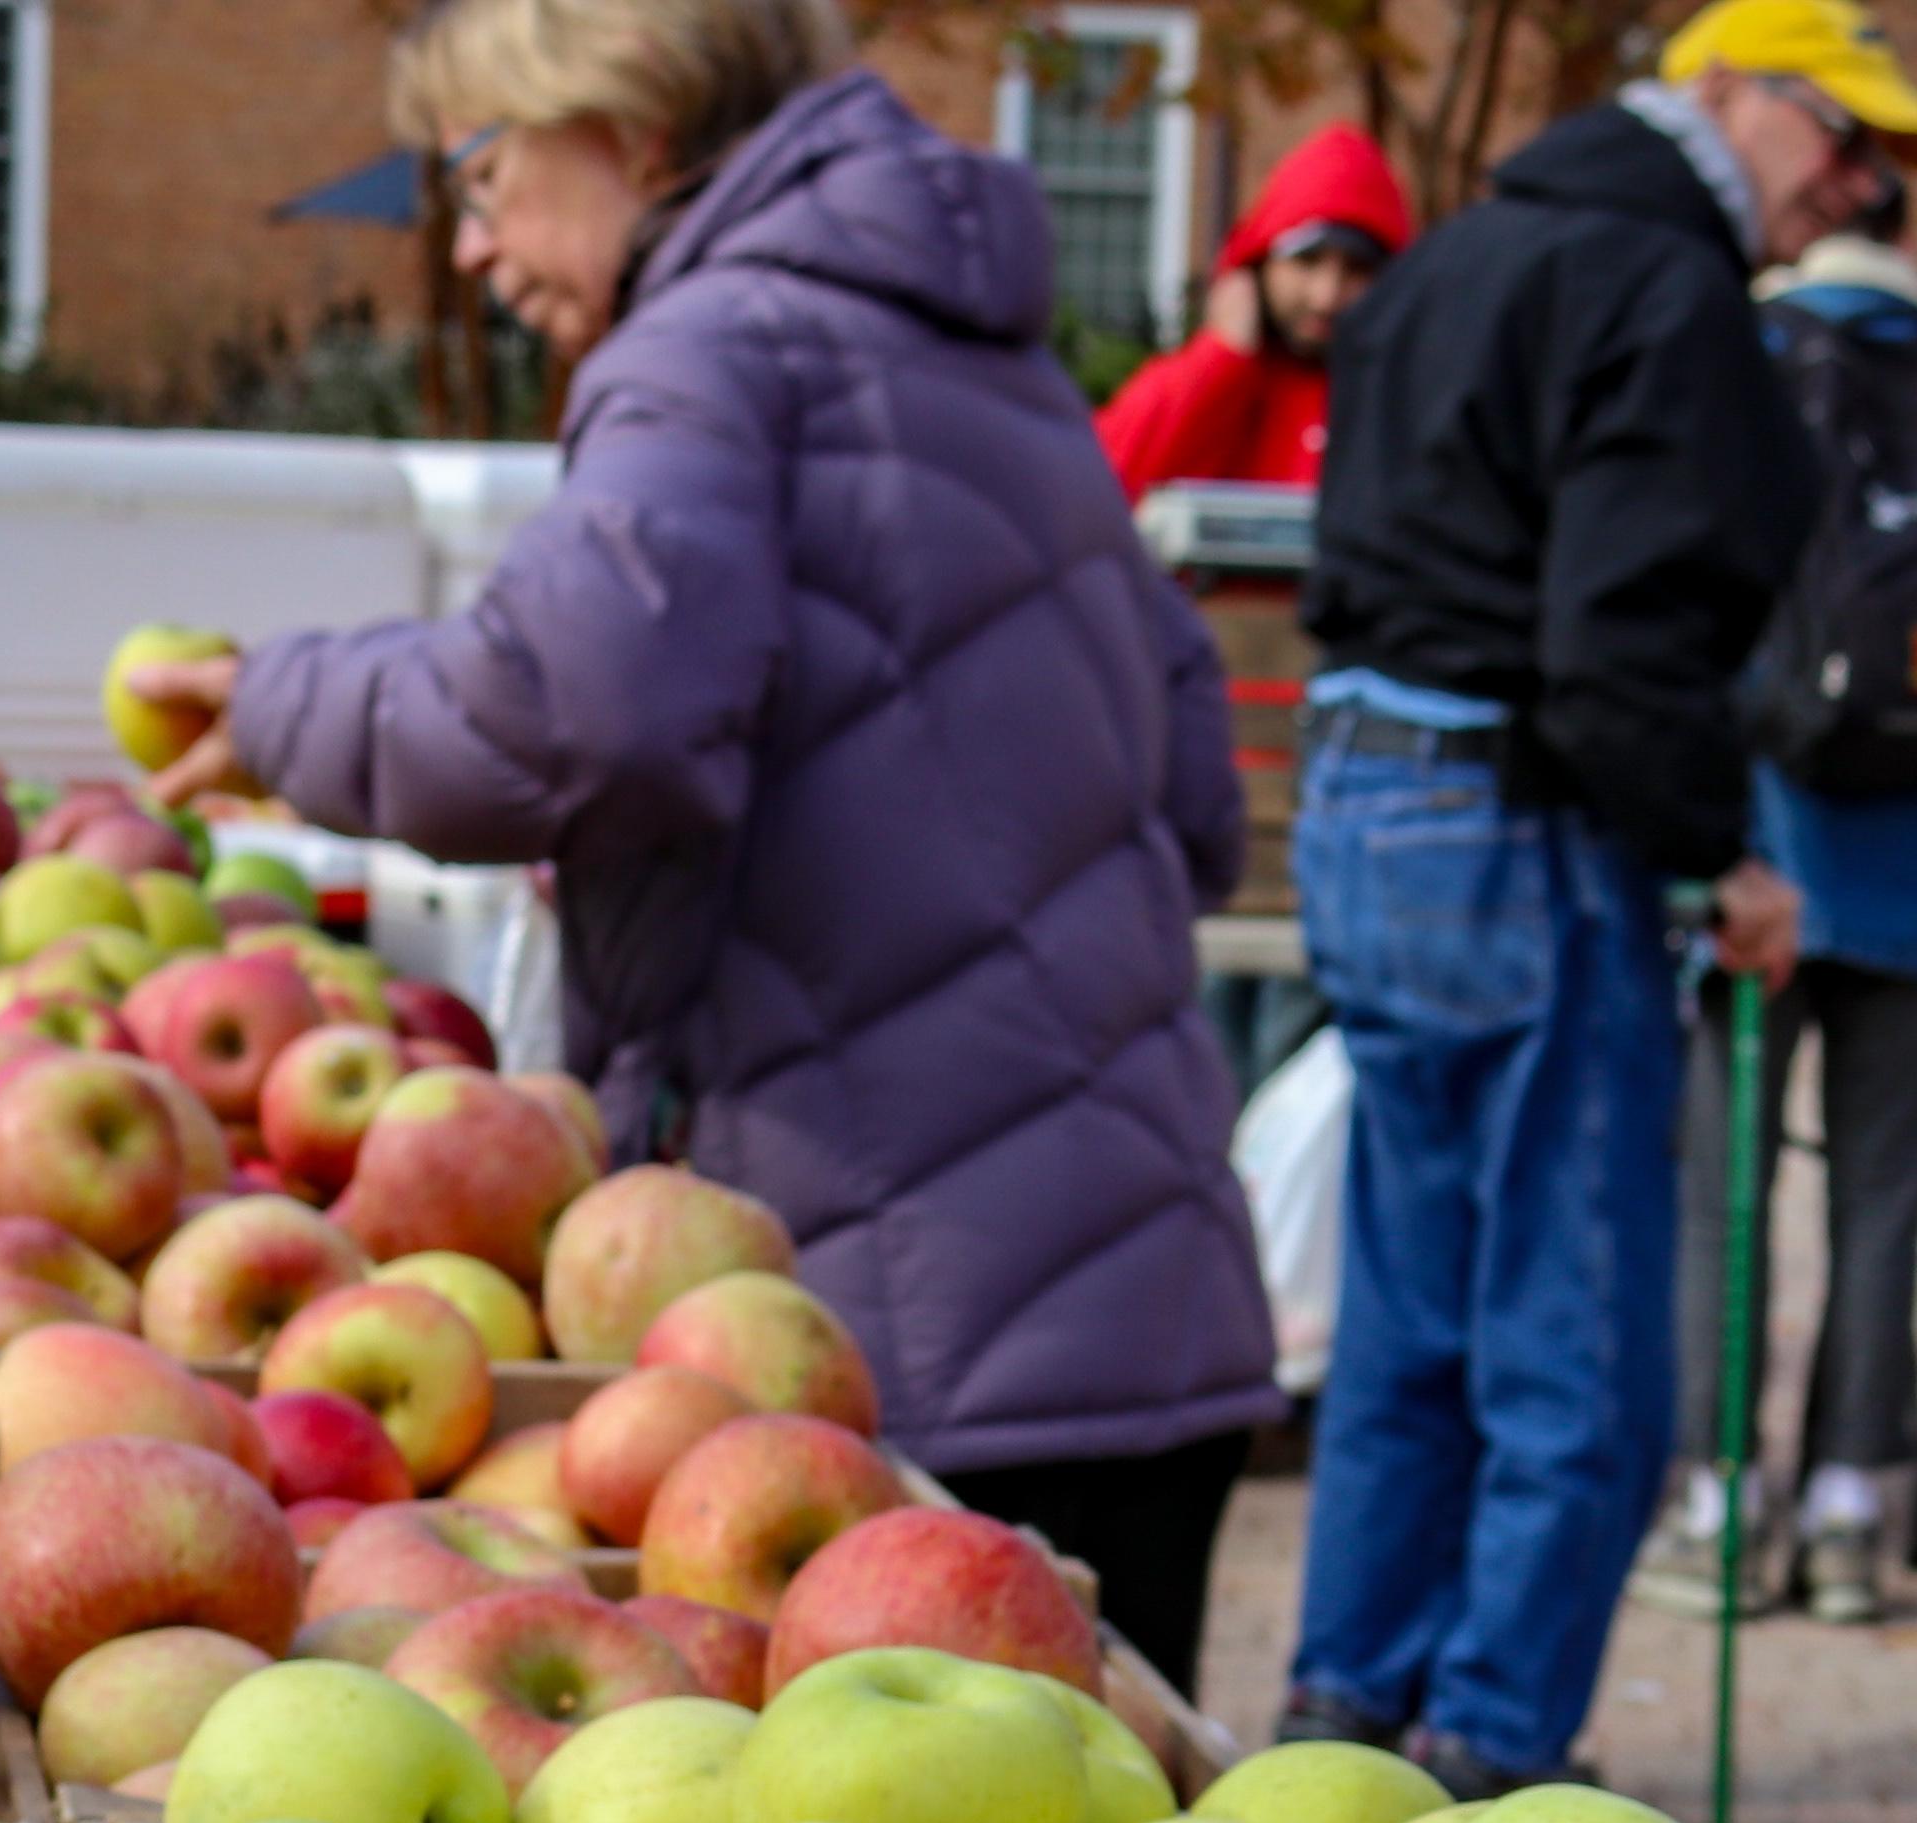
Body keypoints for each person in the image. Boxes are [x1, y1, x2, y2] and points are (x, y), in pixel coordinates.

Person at [128, 0, 1279, 1688]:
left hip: (882, 1362)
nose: (470, 245)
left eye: (485, 172)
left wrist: (290, 705)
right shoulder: (1004, 373)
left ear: (633, 126)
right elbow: (1189, 797)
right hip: (1151, 1304)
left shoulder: (706, 350)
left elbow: (584, 705)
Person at [1271, 0, 1911, 1791]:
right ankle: (1486, 1753)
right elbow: (1619, 645)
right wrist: (1721, 855)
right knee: (1582, 1351)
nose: (1858, 189)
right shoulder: (1665, 292)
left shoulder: (1469, 249)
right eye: (1842, 137)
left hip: (1369, 800)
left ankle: (1343, 1718)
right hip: (1519, 825)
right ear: (1734, 96)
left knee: (1415, 1303)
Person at [1669, 200, 1917, 1626]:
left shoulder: (1750, 359)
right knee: (1883, 1199)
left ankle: (1716, 1502)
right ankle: (1847, 1511)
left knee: (1725, 1196)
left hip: (1763, 845)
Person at [1094, 125, 1413, 500]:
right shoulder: (1210, 380)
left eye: (1357, 269)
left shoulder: (1410, 396)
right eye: (1306, 262)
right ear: (1258, 267)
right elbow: (1100, 487)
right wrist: (1218, 362)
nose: (1326, 297)